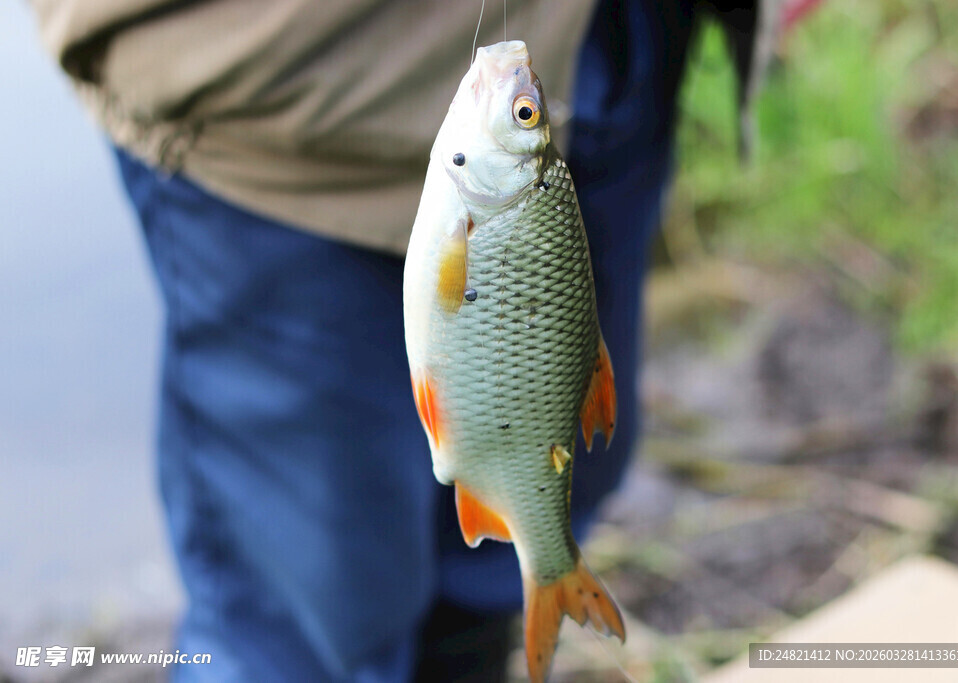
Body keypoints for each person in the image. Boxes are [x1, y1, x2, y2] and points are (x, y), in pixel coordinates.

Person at [31, 0, 766, 679]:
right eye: (520, 109)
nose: (515, 90)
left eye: (519, 108)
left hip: (618, 51)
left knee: (478, 584)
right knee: (300, 620)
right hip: (289, 108)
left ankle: (524, 587)